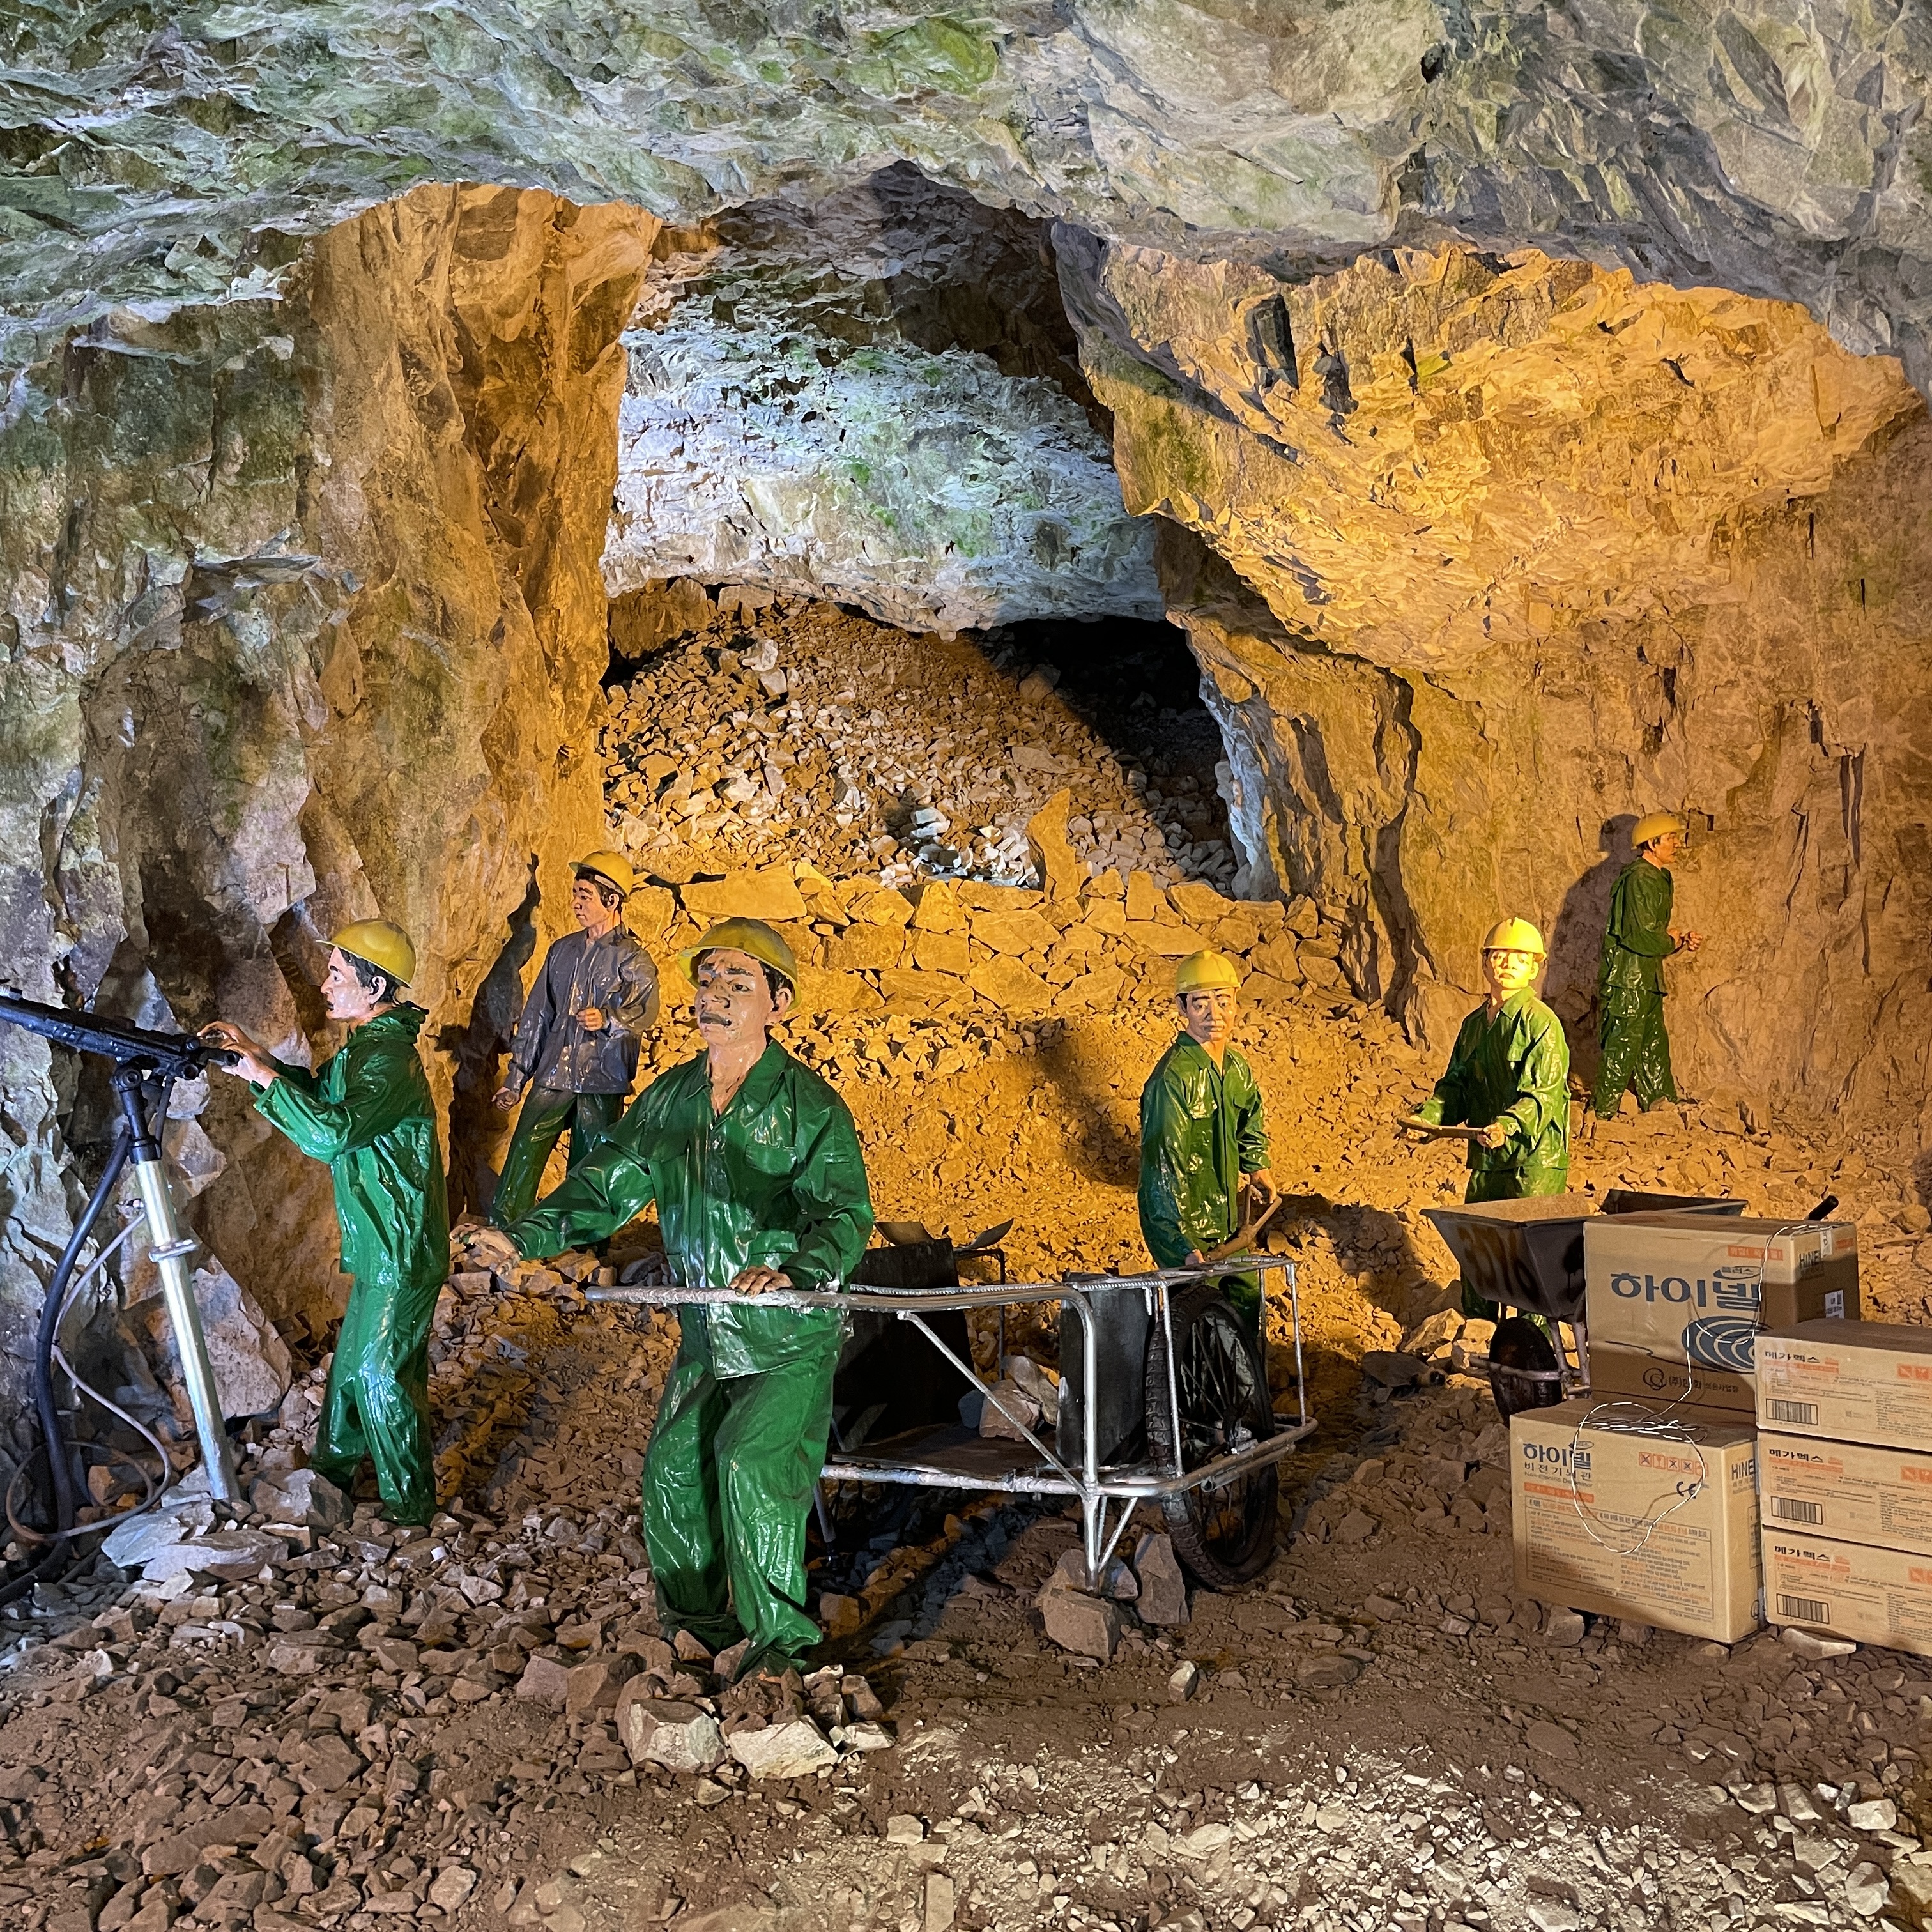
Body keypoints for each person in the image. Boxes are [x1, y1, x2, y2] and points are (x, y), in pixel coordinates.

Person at [466, 917, 872, 1682]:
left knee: (751, 1465)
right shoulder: (674, 1098)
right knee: (675, 1472)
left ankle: (780, 1648)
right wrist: (525, 1236)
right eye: (708, 980)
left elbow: (844, 1214)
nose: (714, 995)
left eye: (737, 983)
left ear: (778, 1003)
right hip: (709, 1333)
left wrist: (796, 1270)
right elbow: (605, 1184)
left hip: (786, 1336)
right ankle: (697, 1632)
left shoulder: (809, 1106)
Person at [203, 920, 450, 1526]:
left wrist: (260, 1077)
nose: (324, 985)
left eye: (336, 974)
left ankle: (411, 1510)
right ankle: (331, 1479)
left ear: (374, 988)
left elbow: (330, 1134)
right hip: (381, 1241)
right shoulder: (366, 1048)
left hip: (401, 1244)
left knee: (380, 1374)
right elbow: (322, 1096)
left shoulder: (387, 1059)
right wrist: (257, 1059)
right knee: (349, 1372)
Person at [1408, 917, 1571, 1325]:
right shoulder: (1473, 1026)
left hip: (1534, 1158)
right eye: (1499, 955)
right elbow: (1456, 1085)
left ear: (1534, 968)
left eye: (1520, 958)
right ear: (1485, 963)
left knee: (1530, 1254)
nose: (1508, 964)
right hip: (1487, 1154)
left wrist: (1508, 1125)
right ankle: (1478, 1334)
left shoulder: (1542, 1023)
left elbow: (1543, 1094)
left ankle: (1533, 1344)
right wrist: (1430, 1118)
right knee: (1479, 1249)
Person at [491, 851, 660, 1226]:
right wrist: (516, 1079)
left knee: (591, 1165)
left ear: (611, 900)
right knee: (526, 1146)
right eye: (575, 894)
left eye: (585, 895)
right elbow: (538, 1016)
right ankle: (504, 1228)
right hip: (555, 1070)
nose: (576, 904)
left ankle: (586, 1240)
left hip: (602, 1077)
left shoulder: (633, 959)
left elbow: (645, 1011)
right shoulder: (562, 951)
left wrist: (609, 1019)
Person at [1138, 950, 1277, 1344]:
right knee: (1198, 1326)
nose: (1214, 1014)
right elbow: (1162, 1170)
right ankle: (1196, 1386)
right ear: (1182, 1007)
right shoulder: (1172, 1080)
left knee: (1247, 1304)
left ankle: (1247, 1383)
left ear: (1236, 1005)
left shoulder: (1235, 1067)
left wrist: (1257, 1165)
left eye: (1223, 1002)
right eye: (1201, 1004)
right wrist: (1179, 1245)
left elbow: (1249, 1118)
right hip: (1190, 1232)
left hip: (1230, 1224)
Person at [1592, 812, 1703, 1117]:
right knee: (1623, 1042)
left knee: (1653, 1042)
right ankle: (1603, 1112)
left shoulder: (1659, 877)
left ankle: (1661, 1103)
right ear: (1653, 843)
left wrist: (1678, 940)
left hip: (1647, 978)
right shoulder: (1639, 878)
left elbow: (1651, 934)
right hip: (1627, 980)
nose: (1677, 844)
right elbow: (1640, 935)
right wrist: (1671, 940)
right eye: (1671, 838)